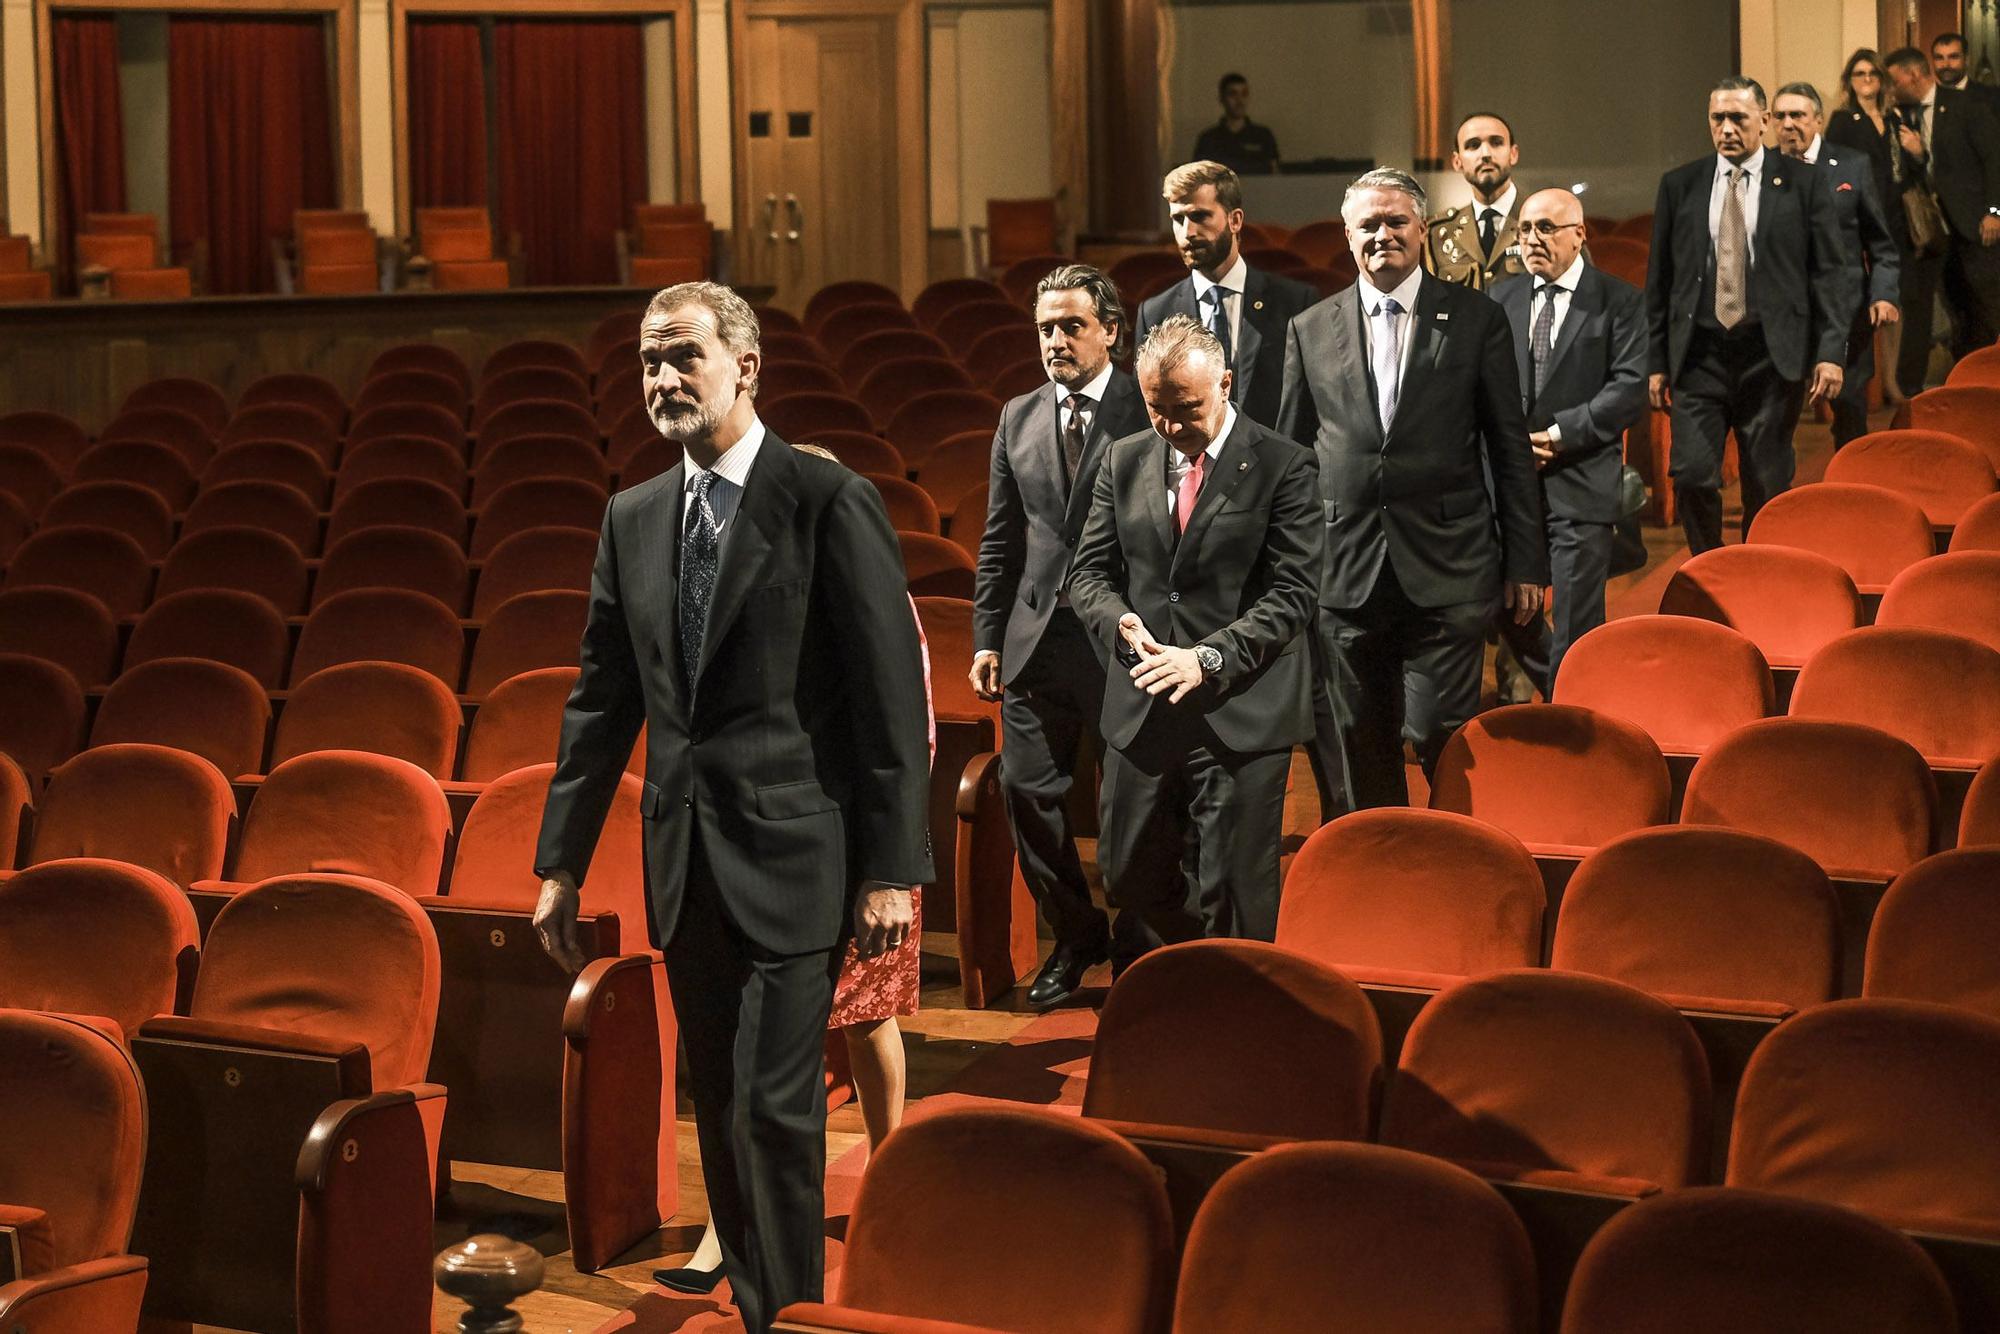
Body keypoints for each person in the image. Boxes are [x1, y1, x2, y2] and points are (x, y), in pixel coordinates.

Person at [531, 282, 931, 1334]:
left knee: (775, 1109)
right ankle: (761, 1305)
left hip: (799, 859)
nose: (663, 377)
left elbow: (887, 697)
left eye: (683, 356)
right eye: (649, 360)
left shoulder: (822, 498)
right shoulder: (632, 516)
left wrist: (892, 868)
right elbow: (602, 698)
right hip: (686, 864)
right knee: (718, 1111)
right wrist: (559, 860)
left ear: (744, 366)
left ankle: (791, 1313)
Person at [657, 443, 933, 1296]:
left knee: (866, 1014)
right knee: (747, 1070)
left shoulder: (850, 552)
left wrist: (888, 864)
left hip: (853, 849)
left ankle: (891, 1179)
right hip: (770, 847)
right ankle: (725, 1227)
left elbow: (903, 727)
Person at [1278, 167, 1547, 812]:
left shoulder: (1476, 320)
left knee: (1441, 735)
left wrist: (1526, 561)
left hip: (1449, 565)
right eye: (1367, 225)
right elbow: (1292, 463)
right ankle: (1385, 875)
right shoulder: (1310, 329)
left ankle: (1458, 868)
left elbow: (1509, 447)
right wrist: (1291, 569)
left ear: (1422, 228)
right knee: (1359, 742)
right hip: (1343, 574)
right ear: (1347, 237)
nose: (1382, 235)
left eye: (1396, 221)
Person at [1068, 315, 1318, 959]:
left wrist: (1206, 659)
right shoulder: (1123, 459)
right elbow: (1088, 574)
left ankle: (1233, 1021)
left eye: (1187, 409)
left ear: (1226, 384)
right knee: (1127, 875)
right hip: (1144, 699)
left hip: (1240, 707)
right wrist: (1119, 623)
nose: (1173, 428)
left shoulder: (1284, 465)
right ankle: (1174, 1002)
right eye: (1158, 410)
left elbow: (1293, 594)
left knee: (1235, 896)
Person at [971, 264, 1150, 1009]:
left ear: (1111, 329)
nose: (1055, 340)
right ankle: (1077, 934)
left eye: (1072, 325)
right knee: (1024, 789)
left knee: (1126, 812)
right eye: (1045, 327)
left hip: (1125, 636)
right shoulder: (1016, 415)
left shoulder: (1148, 407)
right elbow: (1000, 538)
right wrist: (986, 635)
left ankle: (1140, 951)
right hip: (1037, 637)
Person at [1644, 76, 1852, 554]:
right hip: (1699, 354)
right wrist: (1656, 361)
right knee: (1693, 473)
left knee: (1767, 478)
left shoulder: (1802, 181)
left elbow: (1830, 274)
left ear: (1763, 120)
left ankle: (1758, 567)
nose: (1727, 128)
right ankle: (1709, 562)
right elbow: (1660, 281)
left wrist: (1830, 354)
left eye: (1738, 117)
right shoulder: (1680, 185)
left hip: (1770, 354)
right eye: (1718, 118)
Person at [1490, 189, 1648, 696]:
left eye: (1545, 228)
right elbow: (1482, 384)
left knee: (1578, 623)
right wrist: (1513, 442)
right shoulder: (1501, 297)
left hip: (1580, 479)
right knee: (1506, 607)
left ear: (1578, 234)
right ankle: (1568, 696)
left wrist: (1558, 436)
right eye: (1525, 230)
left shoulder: (1617, 299)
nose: (1532, 239)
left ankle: (1574, 720)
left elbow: (1628, 390)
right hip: (1512, 483)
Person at [1135, 161, 1318, 430]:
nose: (1188, 232)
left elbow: (1308, 407)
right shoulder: (1154, 313)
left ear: (1235, 220)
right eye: (1178, 219)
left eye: (1199, 216)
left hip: (1274, 465)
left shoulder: (1294, 303)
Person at [1773, 81, 1901, 446]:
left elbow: (1881, 244)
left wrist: (1884, 294)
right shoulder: (1762, 170)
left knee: (1849, 413)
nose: (1788, 124)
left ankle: (1852, 489)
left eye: (1797, 115)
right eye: (1780, 116)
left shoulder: (1851, 166)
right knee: (1775, 419)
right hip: (1784, 314)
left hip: (1845, 310)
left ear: (1817, 119)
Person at [1884, 46, 2000, 387]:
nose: (1891, 88)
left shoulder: (1966, 105)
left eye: (1894, 80)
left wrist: (1994, 212)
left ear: (1914, 75)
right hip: (1932, 231)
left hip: (1976, 225)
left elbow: (1995, 160)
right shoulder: (1900, 115)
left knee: (1987, 303)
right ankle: (1965, 380)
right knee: (1955, 307)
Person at [1827, 48, 1914, 404]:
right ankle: (1860, 388)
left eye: (1873, 74)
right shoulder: (1843, 120)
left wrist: (1918, 152)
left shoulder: (1895, 118)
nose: (1866, 80)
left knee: (1892, 299)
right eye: (1859, 74)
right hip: (1858, 220)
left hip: (1893, 216)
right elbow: (1833, 172)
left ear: (1882, 80)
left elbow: (1908, 175)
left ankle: (1891, 381)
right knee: (1857, 303)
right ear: (1850, 80)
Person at [1424, 112, 1530, 291]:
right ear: (1457, 161)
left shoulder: (1546, 220)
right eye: (1473, 145)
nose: (1486, 154)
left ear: (1513, 153)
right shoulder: (1439, 232)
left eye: (1496, 143)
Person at [1192, 73, 1280, 176]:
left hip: (1260, 191)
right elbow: (1198, 179)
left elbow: (1275, 174)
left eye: (1244, 94)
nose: (1239, 100)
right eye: (1233, 94)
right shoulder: (1208, 139)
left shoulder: (1263, 135)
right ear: (1222, 98)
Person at [1931, 30, 1999, 106]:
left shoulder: (1992, 97)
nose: (1946, 65)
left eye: (1953, 57)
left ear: (1966, 60)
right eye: (1939, 58)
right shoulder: (1928, 98)